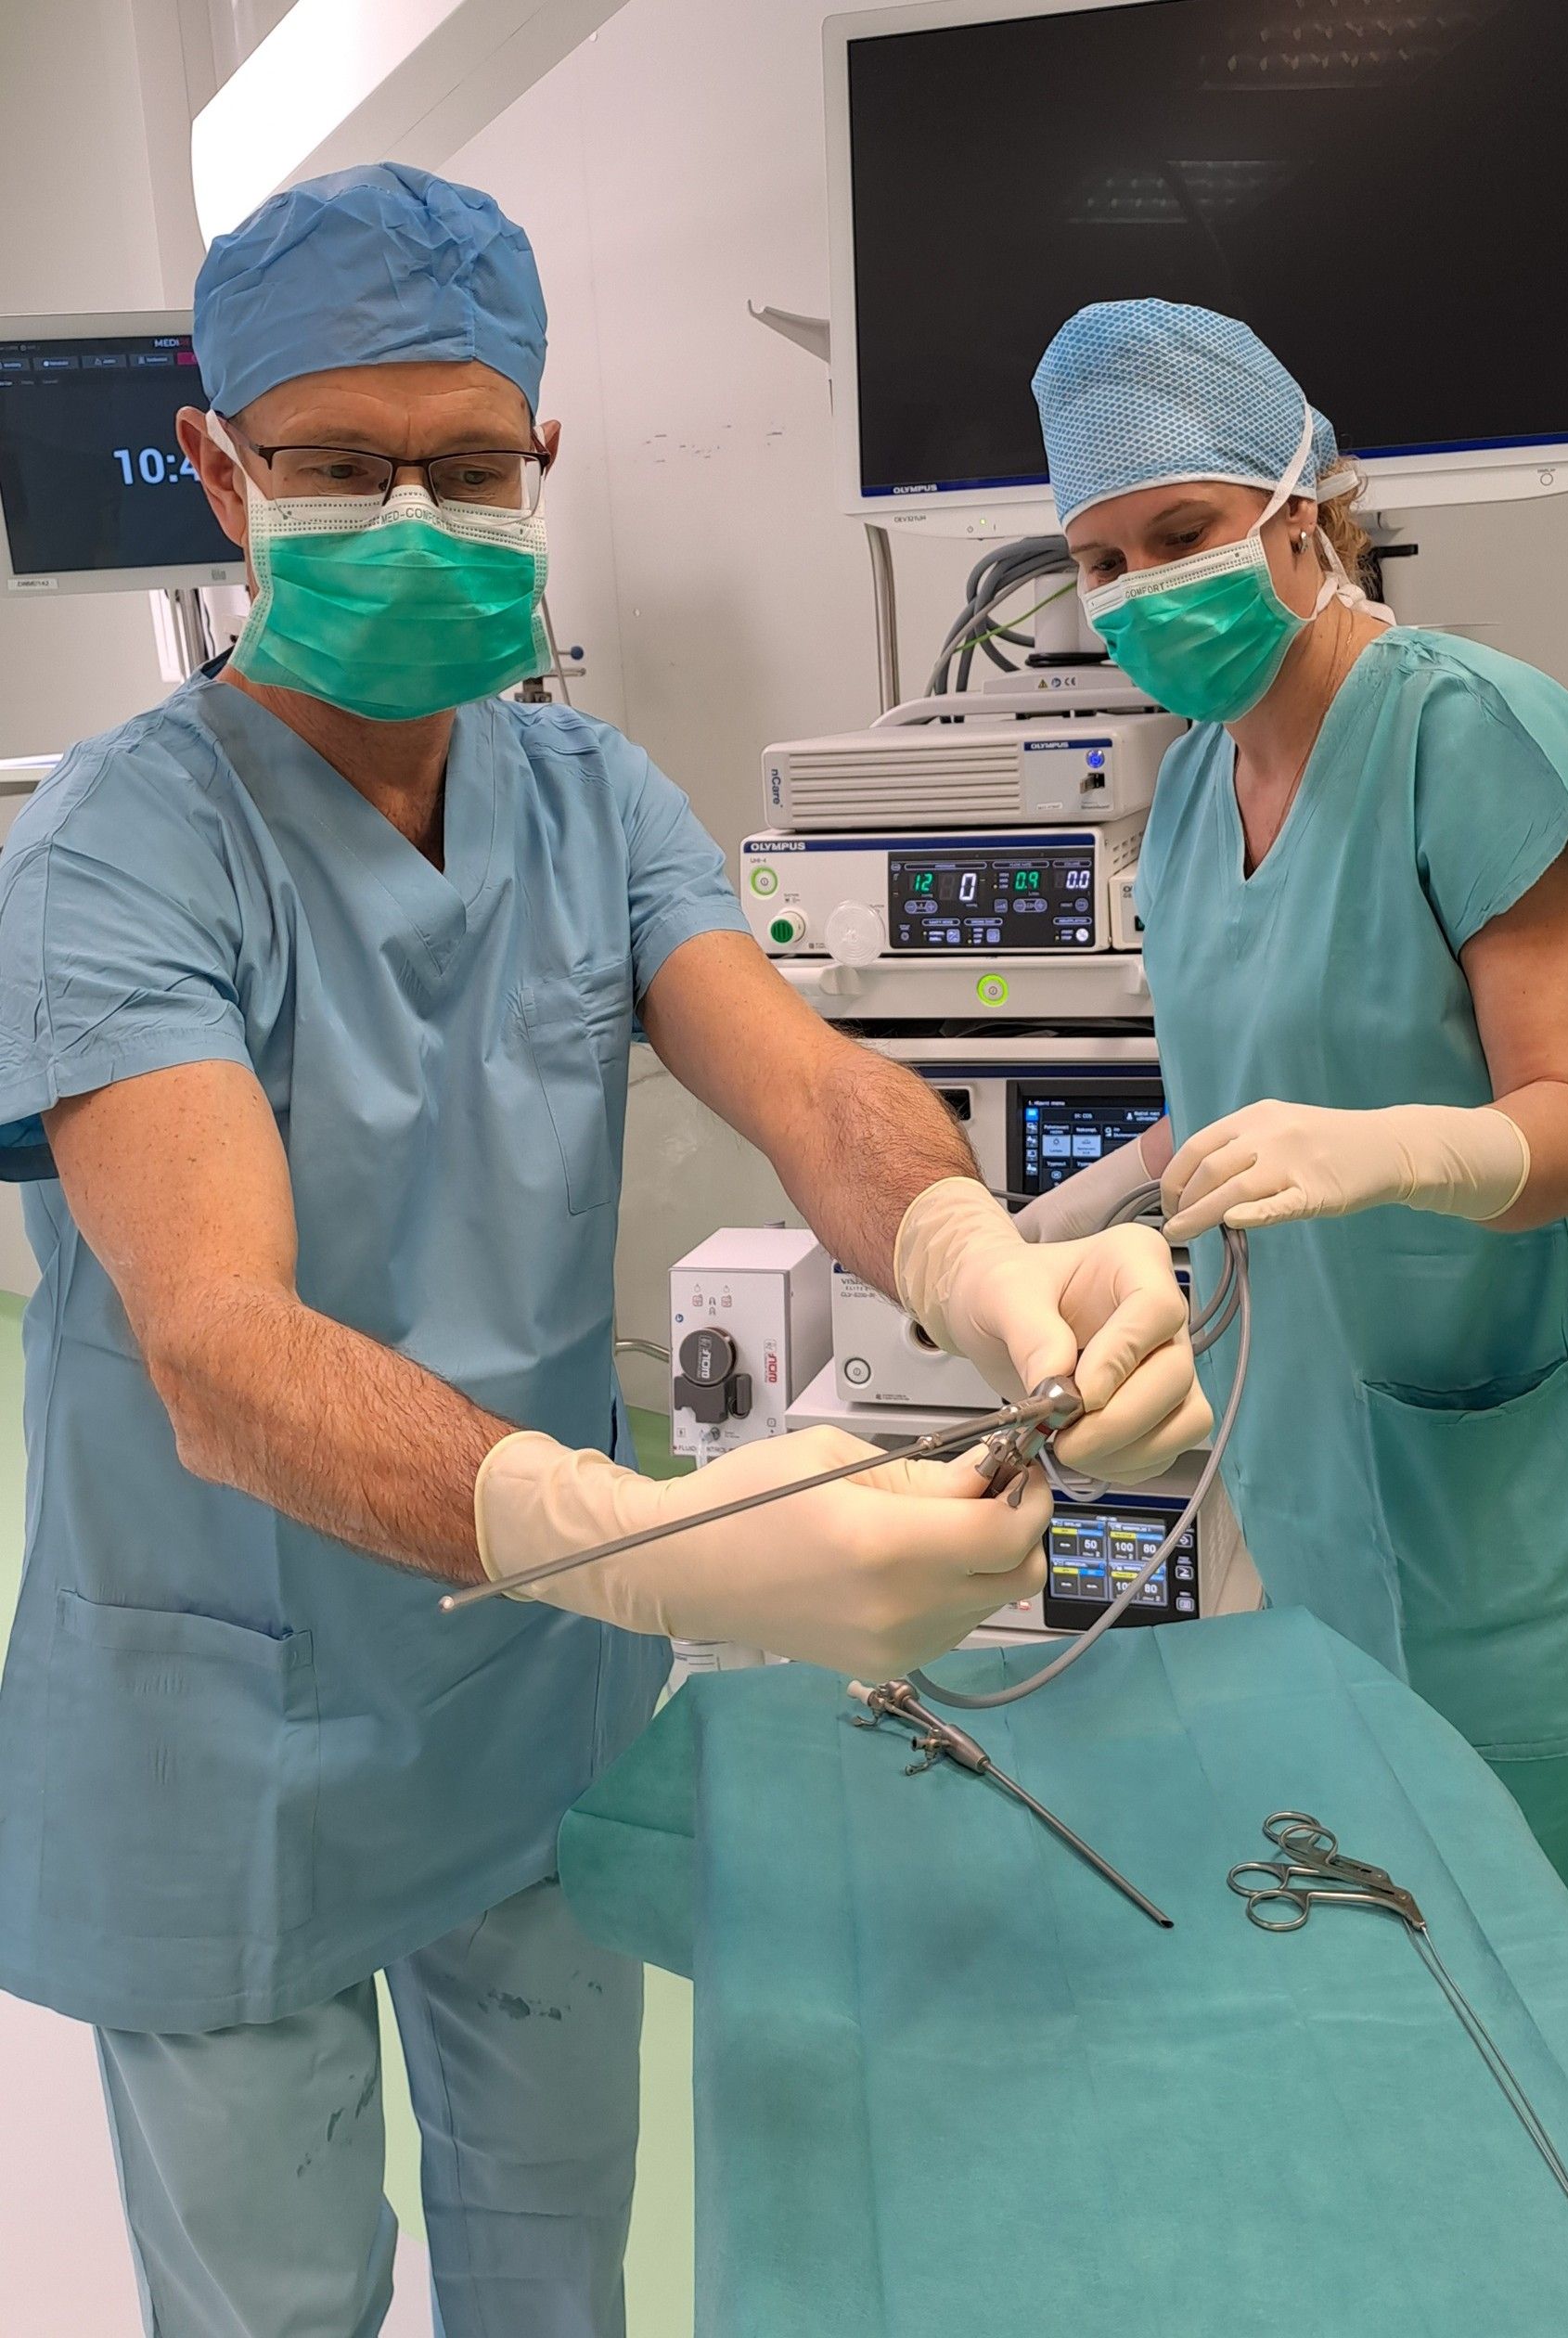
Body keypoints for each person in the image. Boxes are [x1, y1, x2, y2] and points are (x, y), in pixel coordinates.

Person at [0, 182, 1207, 2337]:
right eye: (340, 465)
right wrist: (641, 1542)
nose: (413, 518)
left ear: (541, 465)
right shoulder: (116, 848)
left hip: (519, 1714)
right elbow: (214, 1342)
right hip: (231, 1727)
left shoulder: (589, 796)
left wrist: (979, 1257)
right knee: (273, 2303)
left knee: (556, 2265)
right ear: (218, 470)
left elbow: (808, 1085)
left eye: (468, 470)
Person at [1024, 297, 1568, 1988]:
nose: (1140, 587)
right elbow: (1248, 1095)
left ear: (1301, 511)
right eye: (1100, 561)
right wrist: (1049, 1221)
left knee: (1536, 2023)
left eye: (1181, 532)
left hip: (1516, 1529)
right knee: (1378, 2006)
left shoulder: (1473, 731)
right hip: (1306, 1479)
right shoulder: (1191, 787)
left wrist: (1399, 1152)